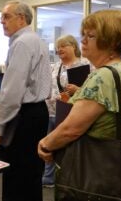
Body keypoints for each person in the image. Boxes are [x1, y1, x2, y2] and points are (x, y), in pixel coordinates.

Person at [38, 9, 121, 194]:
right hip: (106, 162)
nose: (83, 40)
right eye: (83, 35)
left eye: (91, 36)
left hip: (88, 163)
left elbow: (71, 129)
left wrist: (46, 143)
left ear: (113, 42)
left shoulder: (102, 76)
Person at [0, 0, 52, 201]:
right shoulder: (36, 40)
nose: (2, 22)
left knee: (17, 174)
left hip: (24, 115)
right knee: (32, 173)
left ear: (21, 18)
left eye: (6, 17)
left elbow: (12, 91)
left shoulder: (22, 43)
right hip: (38, 112)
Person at [42, 34, 91, 187]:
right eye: (58, 47)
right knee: (48, 145)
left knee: (68, 148)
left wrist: (78, 89)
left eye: (63, 46)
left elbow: (91, 91)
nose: (59, 49)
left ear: (74, 47)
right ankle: (49, 178)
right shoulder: (56, 66)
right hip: (50, 112)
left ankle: (67, 179)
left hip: (71, 114)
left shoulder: (84, 65)